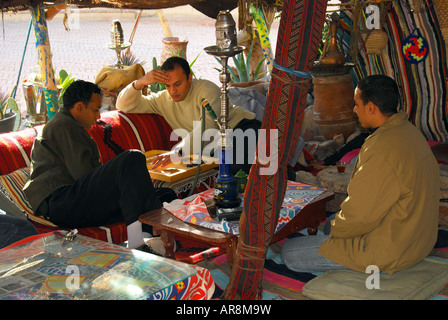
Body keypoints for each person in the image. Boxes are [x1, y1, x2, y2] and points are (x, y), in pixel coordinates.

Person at [281, 75, 440, 275]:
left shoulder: (380, 148)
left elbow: (360, 216)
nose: (354, 110)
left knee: (289, 252)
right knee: (331, 226)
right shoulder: (410, 132)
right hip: (420, 238)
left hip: (391, 249)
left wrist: (339, 233)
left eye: (357, 104)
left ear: (371, 107)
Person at [23, 80, 171, 251]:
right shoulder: (64, 125)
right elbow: (84, 175)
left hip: (76, 201)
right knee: (132, 158)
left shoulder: (70, 126)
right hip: (61, 203)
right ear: (79, 107)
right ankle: (138, 241)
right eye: (95, 110)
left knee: (164, 194)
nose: (98, 116)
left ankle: (148, 239)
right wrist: (121, 178)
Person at [116, 56, 260, 175]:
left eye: (177, 84)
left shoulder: (206, 89)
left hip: (243, 131)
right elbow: (123, 105)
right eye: (168, 85)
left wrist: (177, 153)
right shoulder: (162, 100)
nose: (173, 91)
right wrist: (140, 83)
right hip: (213, 148)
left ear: (190, 77)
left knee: (238, 177)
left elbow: (208, 127)